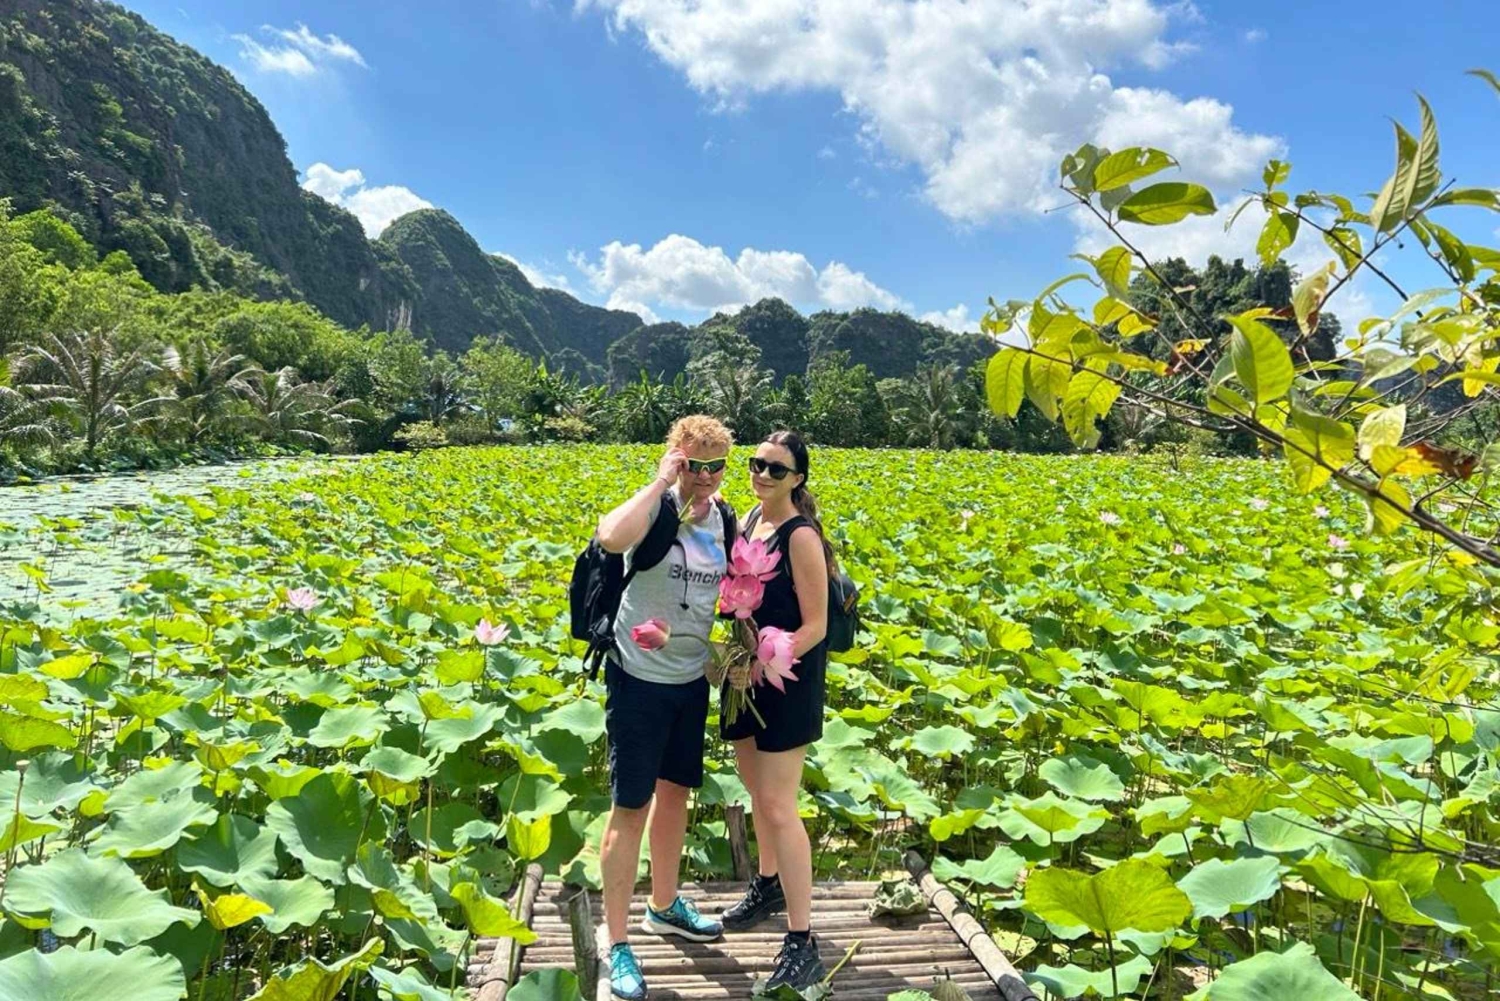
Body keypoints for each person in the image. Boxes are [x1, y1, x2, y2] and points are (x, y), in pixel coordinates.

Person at [594, 415, 736, 1001]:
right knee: (631, 807)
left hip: (689, 680)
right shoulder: (656, 507)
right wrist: (660, 482)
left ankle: (664, 904)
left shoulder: (725, 518)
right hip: (638, 678)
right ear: (675, 457)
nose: (704, 476)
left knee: (675, 795)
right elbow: (610, 537)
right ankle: (617, 942)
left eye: (715, 466)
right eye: (693, 464)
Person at [719, 430, 833, 990]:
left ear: (797, 479)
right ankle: (767, 884)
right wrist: (736, 660)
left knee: (778, 805)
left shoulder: (801, 535)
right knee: (753, 789)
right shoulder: (747, 521)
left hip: (786, 678)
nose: (762, 474)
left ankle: (802, 939)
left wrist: (766, 662)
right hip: (744, 675)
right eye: (757, 464)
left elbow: (817, 626)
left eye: (776, 469)